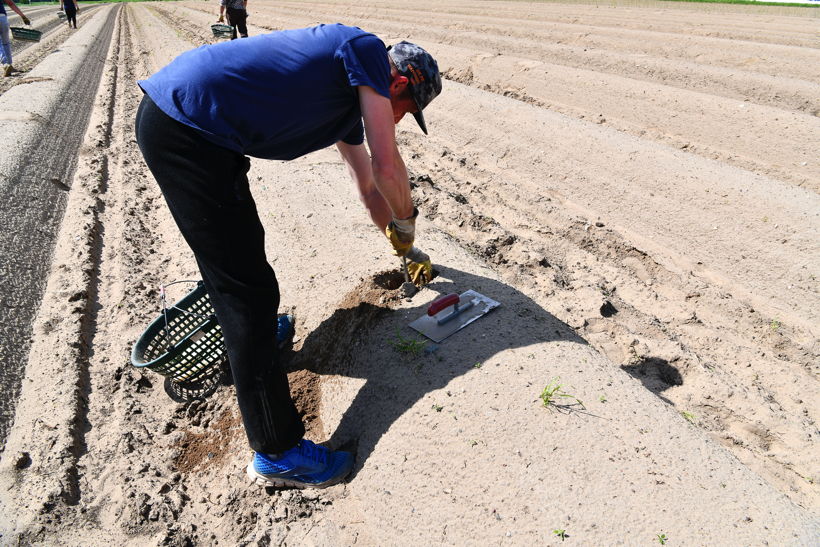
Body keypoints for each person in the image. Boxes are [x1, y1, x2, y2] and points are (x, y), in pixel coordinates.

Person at [135, 24, 441, 489]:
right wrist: (407, 225)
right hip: (187, 129)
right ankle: (277, 453)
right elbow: (386, 164)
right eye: (405, 109)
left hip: (203, 134)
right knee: (248, 294)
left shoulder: (345, 99)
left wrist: (401, 247)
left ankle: (249, 345)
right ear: (397, 83)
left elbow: (367, 185)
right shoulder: (365, 54)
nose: (397, 120)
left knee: (240, 263)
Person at [0, 0, 30, 76]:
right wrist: (23, 16)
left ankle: (5, 64)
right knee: (6, 43)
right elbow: (10, 3)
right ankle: (10, 65)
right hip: (2, 18)